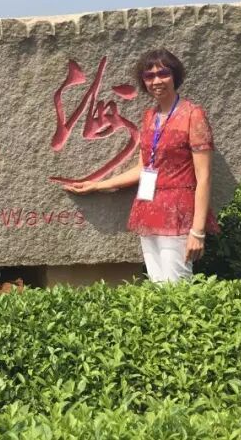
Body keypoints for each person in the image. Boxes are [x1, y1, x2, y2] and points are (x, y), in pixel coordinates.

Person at [64, 48, 218, 283]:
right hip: (148, 208)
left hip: (178, 212)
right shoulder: (150, 116)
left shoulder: (192, 115)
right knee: (157, 283)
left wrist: (197, 231)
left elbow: (204, 176)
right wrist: (97, 185)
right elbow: (143, 168)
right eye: (149, 76)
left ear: (175, 76)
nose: (156, 81)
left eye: (163, 74)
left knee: (177, 286)